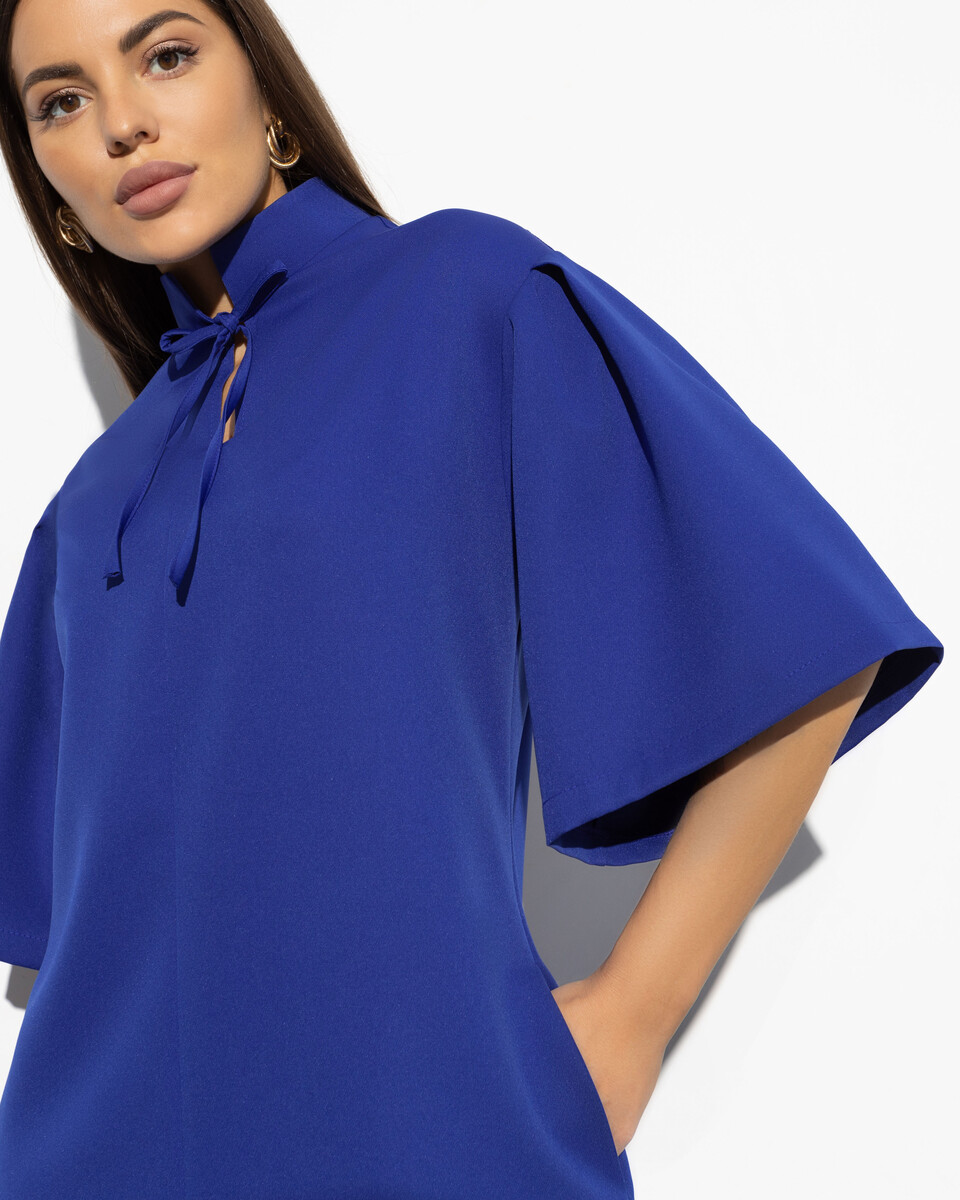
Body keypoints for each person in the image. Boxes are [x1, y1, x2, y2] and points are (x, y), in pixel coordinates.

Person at [0, 1, 944, 1197]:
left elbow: (799, 643)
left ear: (268, 91)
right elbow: (70, 919)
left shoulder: (465, 293)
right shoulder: (94, 498)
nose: (124, 123)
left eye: (167, 55)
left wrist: (635, 1014)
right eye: (61, 101)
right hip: (87, 1153)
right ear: (48, 184)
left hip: (424, 1131)